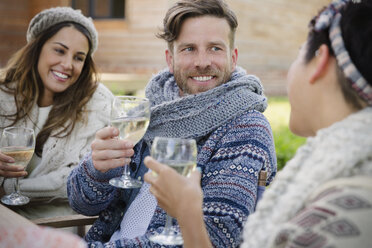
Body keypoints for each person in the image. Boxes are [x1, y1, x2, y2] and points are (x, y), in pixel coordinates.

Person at [144, 0, 372, 247]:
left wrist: (188, 215)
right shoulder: (155, 111)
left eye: (298, 53)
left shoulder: (343, 207)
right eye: (188, 48)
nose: (202, 61)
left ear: (321, 62)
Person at [67, 0, 277, 247]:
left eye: (215, 48)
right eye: (189, 49)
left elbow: (216, 237)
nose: (202, 61)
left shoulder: (246, 127)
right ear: (170, 58)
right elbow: (81, 202)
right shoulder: (149, 114)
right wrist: (97, 171)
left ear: (233, 56)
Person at [0, 7, 114, 219]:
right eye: (60, 51)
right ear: (37, 47)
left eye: (79, 58)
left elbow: (76, 177)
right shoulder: (3, 93)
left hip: (60, 223)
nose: (67, 65)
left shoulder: (98, 104)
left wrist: (9, 190)